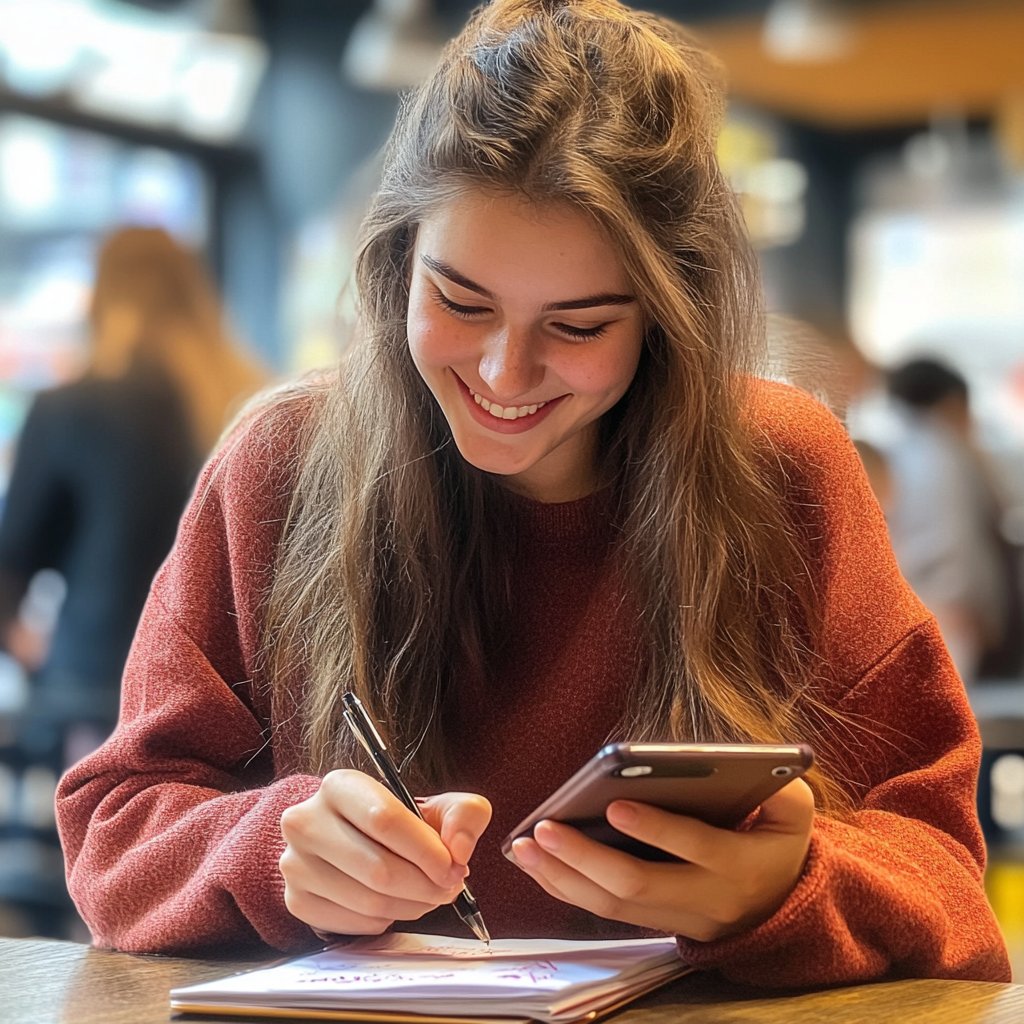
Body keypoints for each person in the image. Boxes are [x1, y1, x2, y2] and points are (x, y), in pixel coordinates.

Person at [55, 0, 1009, 987]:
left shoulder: (780, 465)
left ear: (665, 313)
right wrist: (271, 853)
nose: (506, 373)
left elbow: (942, 869)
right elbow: (114, 830)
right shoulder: (283, 462)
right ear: (395, 268)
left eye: (580, 324)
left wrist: (790, 889)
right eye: (459, 301)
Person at [0, 225, 267, 934]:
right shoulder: (249, 404)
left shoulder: (71, 408)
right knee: (205, 923)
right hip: (235, 713)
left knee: (96, 915)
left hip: (94, 690)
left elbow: (8, 563)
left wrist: (34, 652)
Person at [884, 357, 1020, 682]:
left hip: (927, 602)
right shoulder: (941, 457)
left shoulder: (905, 449)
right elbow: (953, 540)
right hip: (950, 608)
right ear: (952, 402)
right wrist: (968, 604)